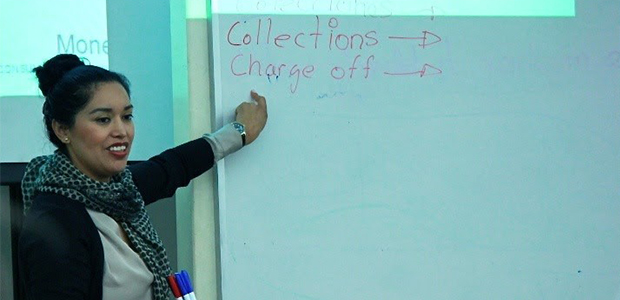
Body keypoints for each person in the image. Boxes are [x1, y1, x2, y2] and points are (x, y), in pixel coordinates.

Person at [18, 54, 267, 300]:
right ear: (62, 130)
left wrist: (239, 131)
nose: (121, 131)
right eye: (103, 120)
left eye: (126, 117)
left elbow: (174, 166)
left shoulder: (117, 191)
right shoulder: (55, 224)